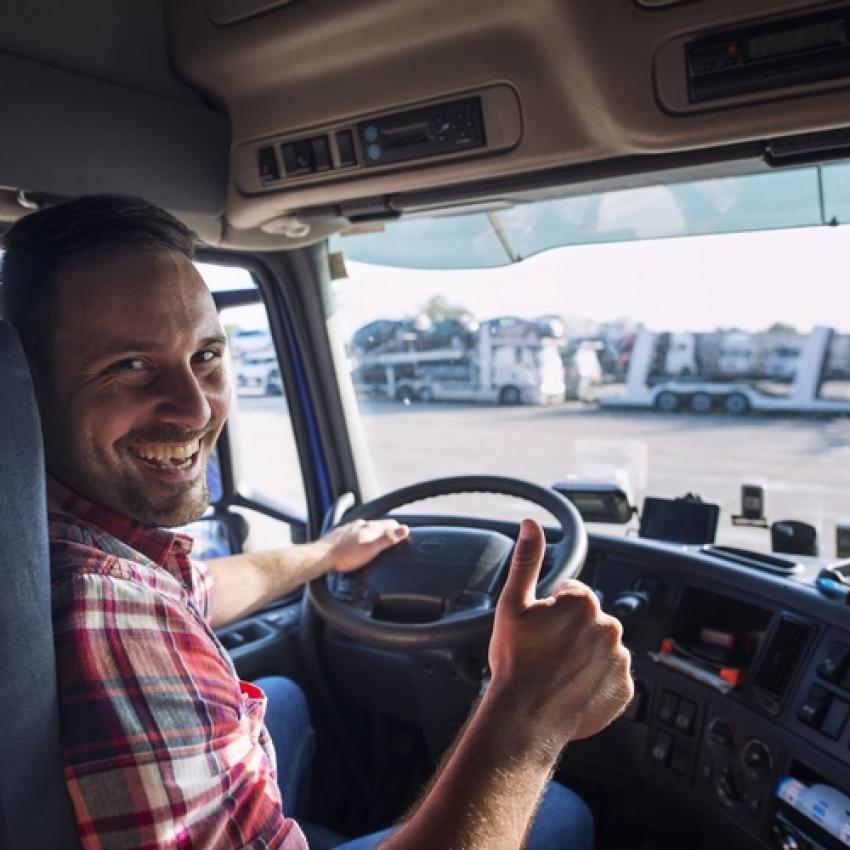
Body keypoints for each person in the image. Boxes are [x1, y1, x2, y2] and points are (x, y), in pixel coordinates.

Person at [1, 195, 633, 849]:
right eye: (130, 367)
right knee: (558, 810)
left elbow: (196, 588)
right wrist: (527, 711)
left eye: (207, 356)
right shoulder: (110, 613)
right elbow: (135, 611)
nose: (196, 409)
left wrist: (327, 554)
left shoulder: (45, 540)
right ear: (28, 388)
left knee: (285, 697)